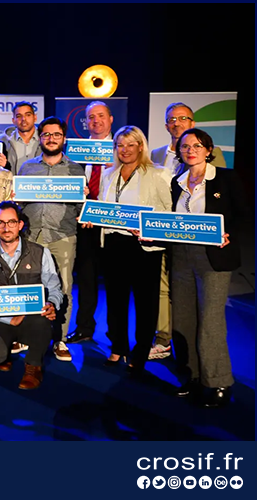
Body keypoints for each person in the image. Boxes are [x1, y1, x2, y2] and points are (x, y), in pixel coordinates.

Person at [83, 126, 171, 372]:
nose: (125, 150)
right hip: (114, 244)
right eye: (120, 145)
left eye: (131, 144)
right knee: (115, 300)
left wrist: (147, 226)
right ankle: (118, 347)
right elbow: (102, 207)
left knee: (146, 302)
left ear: (141, 146)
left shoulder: (158, 173)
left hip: (144, 246)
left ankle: (141, 351)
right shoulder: (109, 174)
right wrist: (92, 216)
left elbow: (167, 210)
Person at [170, 128, 246, 408]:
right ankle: (193, 375)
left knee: (211, 320)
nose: (191, 150)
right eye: (185, 146)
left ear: (208, 149)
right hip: (180, 255)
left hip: (214, 257)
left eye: (197, 146)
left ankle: (218, 381)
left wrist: (228, 234)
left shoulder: (226, 178)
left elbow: (243, 215)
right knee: (184, 319)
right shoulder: (176, 181)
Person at [148, 103, 227, 360]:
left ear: (192, 123)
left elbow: (223, 198)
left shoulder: (215, 157)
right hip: (166, 234)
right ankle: (164, 339)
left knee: (202, 305)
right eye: (172, 119)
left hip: (202, 243)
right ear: (166, 125)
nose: (177, 123)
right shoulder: (156, 154)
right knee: (165, 290)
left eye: (183, 118)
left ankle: (200, 354)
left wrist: (223, 231)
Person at [17, 117, 84, 362]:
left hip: (62, 236)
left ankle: (59, 339)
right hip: (31, 236)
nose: (51, 139)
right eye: (46, 134)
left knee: (63, 288)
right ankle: (26, 336)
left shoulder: (75, 170)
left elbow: (81, 209)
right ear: (41, 137)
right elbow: (19, 203)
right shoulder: (27, 168)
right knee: (28, 287)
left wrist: (85, 202)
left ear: (63, 138)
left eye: (56, 134)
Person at [0, 201, 63, 390]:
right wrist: (9, 319)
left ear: (20, 224)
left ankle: (33, 366)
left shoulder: (40, 252)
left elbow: (54, 287)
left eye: (11, 222)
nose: (6, 227)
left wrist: (52, 303)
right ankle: (6, 350)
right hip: (2, 319)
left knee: (43, 320)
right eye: (0, 223)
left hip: (32, 317)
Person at [69, 102, 113, 345]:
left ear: (111, 119)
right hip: (84, 225)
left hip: (114, 225)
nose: (96, 121)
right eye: (91, 117)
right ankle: (85, 328)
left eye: (101, 116)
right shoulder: (75, 150)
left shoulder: (121, 149)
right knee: (86, 280)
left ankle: (116, 336)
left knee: (116, 283)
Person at [0, 101, 40, 175]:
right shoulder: (1, 141)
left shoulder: (46, 140)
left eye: (28, 115)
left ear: (35, 117)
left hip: (39, 182)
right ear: (13, 120)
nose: (23, 119)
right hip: (10, 182)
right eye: (19, 116)